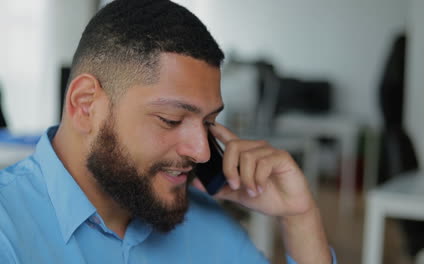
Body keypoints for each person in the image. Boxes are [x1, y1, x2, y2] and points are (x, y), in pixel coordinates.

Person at [0, 0, 336, 263]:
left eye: (208, 123)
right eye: (171, 120)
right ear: (86, 105)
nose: (202, 152)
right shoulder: (8, 230)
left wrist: (299, 218)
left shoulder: (207, 227)